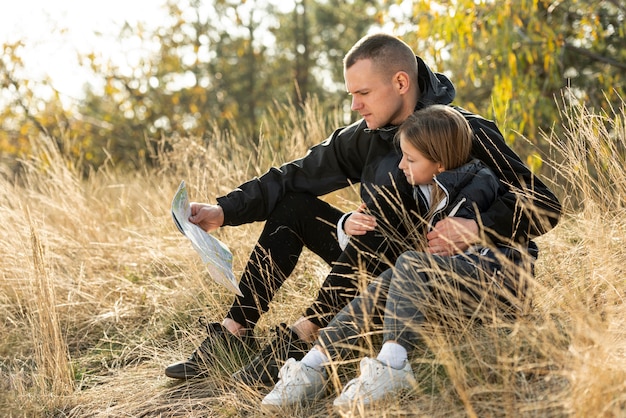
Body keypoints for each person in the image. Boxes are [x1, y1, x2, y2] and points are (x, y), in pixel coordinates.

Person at [164, 33, 561, 387]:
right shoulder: (367, 135)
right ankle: (236, 330)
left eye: (363, 94)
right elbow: (295, 175)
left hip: (448, 277)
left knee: (383, 211)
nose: (355, 105)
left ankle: (307, 336)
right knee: (294, 206)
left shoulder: (463, 130)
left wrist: (478, 227)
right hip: (375, 263)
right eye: (351, 94)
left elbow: (543, 201)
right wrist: (223, 211)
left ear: (400, 82)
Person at [261, 105, 515, 409]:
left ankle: (392, 366)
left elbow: (475, 251)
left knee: (408, 263)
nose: (403, 166)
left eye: (411, 159)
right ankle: (314, 365)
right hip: (455, 284)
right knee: (386, 282)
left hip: (496, 286)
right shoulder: (430, 188)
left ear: (439, 163)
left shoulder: (477, 185)